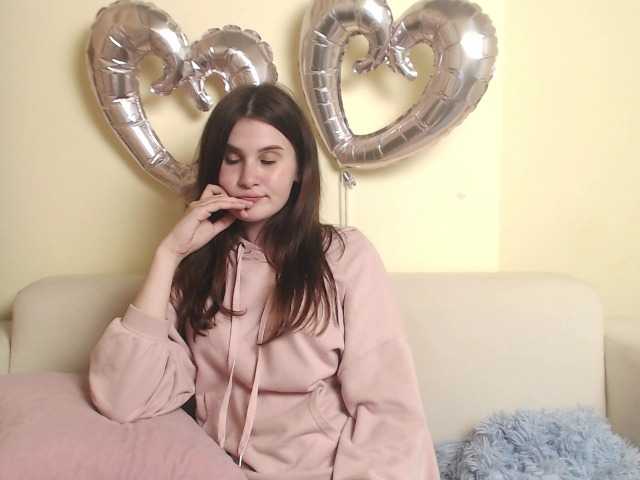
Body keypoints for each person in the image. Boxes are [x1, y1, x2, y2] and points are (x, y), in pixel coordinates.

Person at [88, 82, 441, 480]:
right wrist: (168, 254)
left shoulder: (344, 256)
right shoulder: (196, 265)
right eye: (232, 159)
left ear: (298, 170)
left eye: (268, 160)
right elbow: (123, 397)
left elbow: (387, 408)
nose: (248, 178)